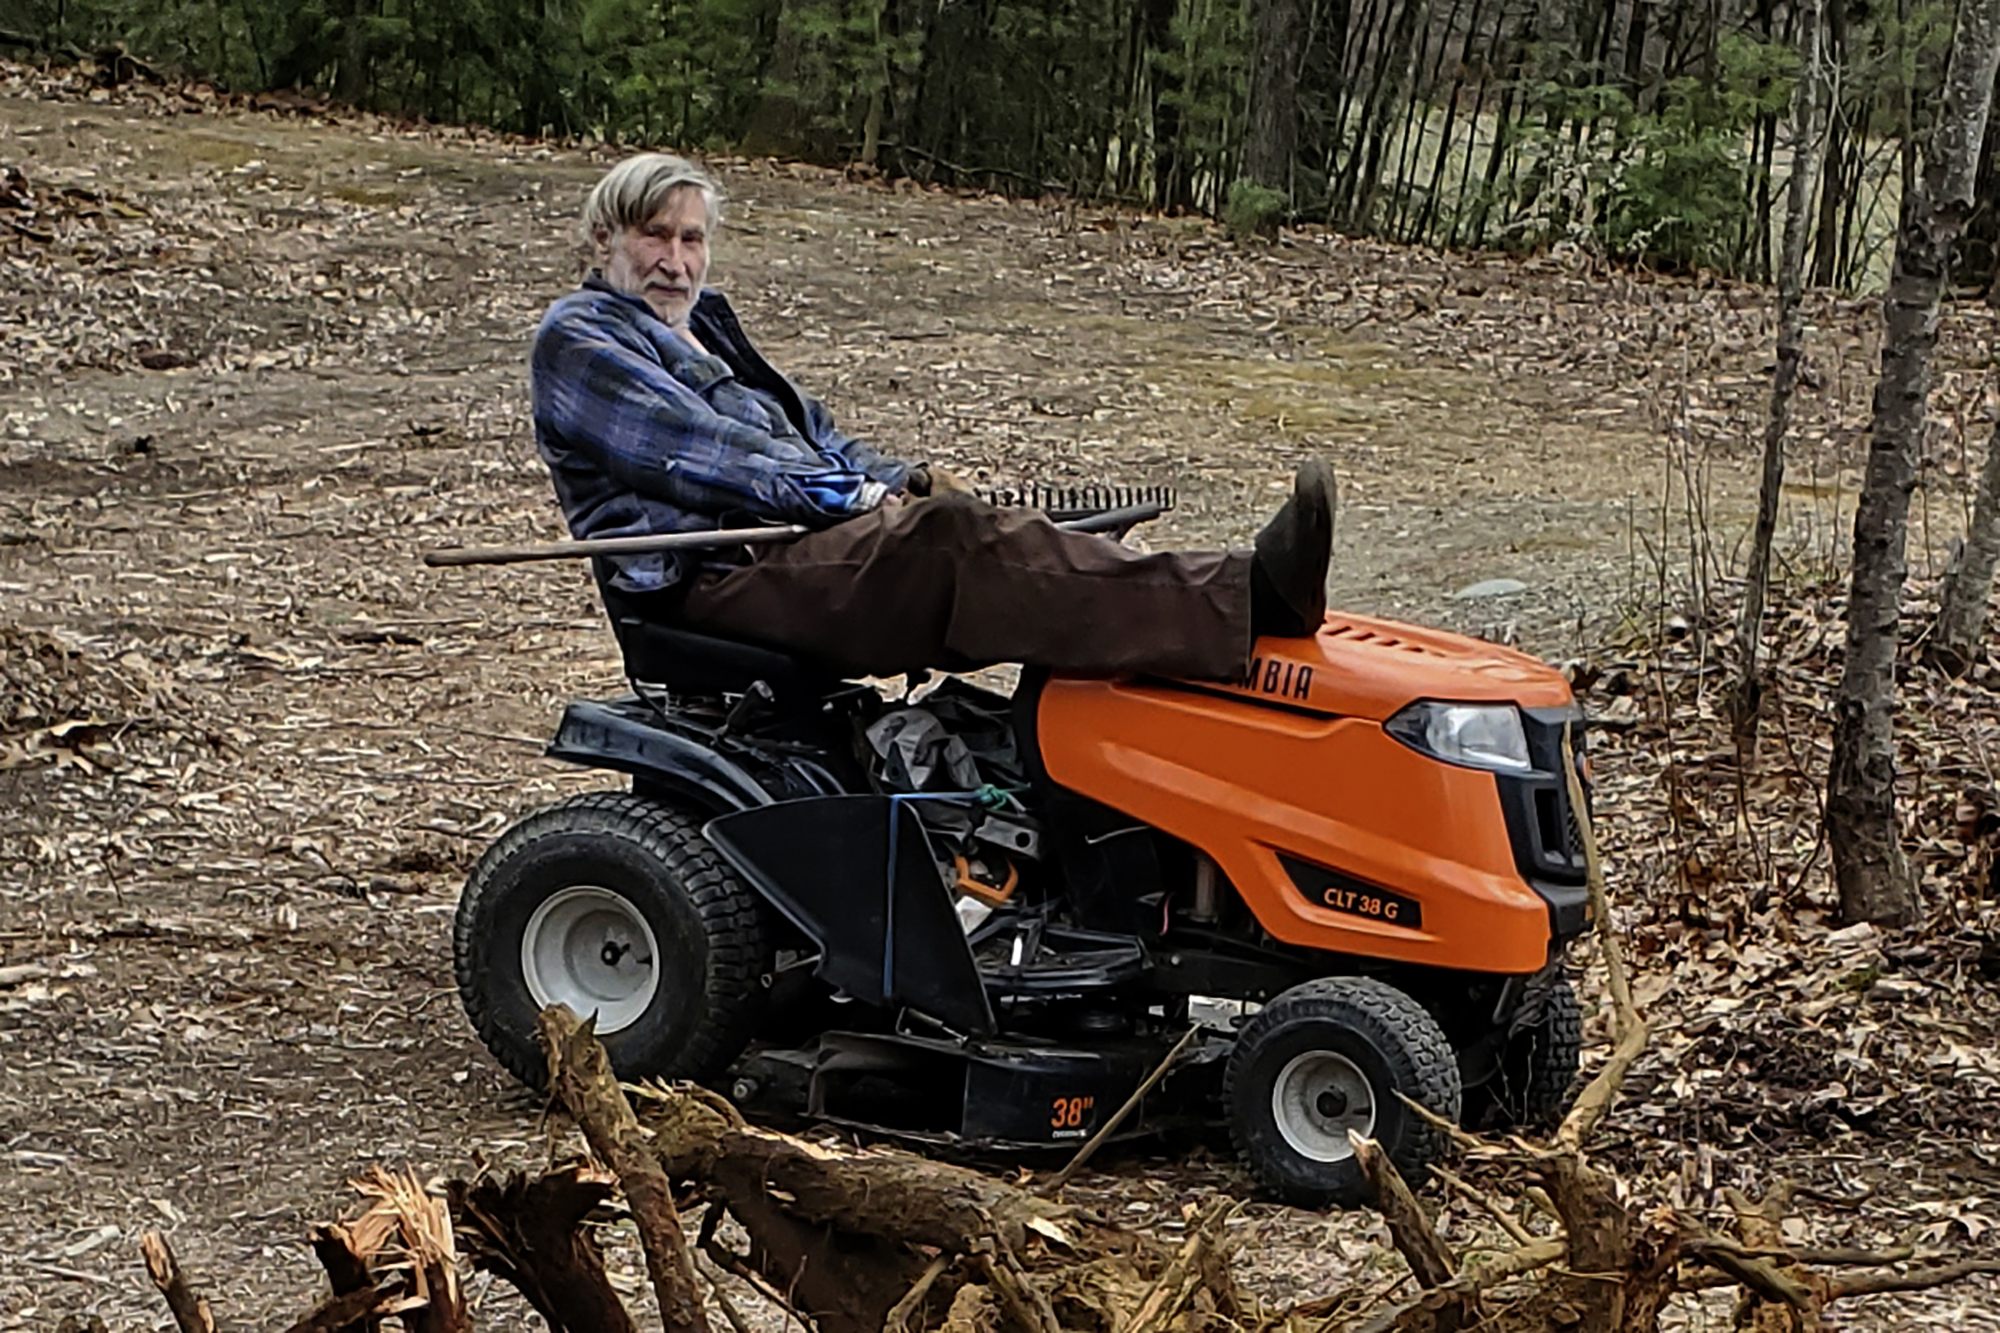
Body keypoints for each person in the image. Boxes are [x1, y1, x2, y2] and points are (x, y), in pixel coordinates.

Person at [529, 153, 1335, 682]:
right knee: (950, 541)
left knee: (1001, 525)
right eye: (656, 236)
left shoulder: (702, 324)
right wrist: (862, 500)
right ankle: (1249, 599)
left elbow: (815, 435)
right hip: (710, 579)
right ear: (604, 239)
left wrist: (905, 478)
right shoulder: (580, 338)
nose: (677, 261)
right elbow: (711, 457)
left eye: (692, 239)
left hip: (787, 545)